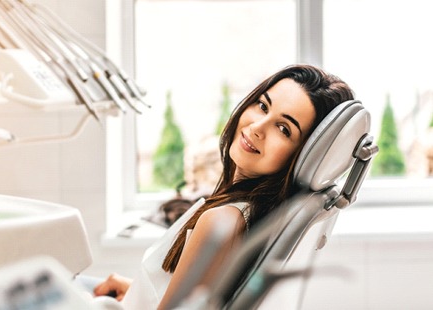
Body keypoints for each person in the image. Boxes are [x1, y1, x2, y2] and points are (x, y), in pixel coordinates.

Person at [91, 64, 355, 309]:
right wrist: (135, 290)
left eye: (284, 129)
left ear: (304, 155)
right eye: (263, 106)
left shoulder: (223, 221)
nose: (257, 127)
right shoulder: (251, 213)